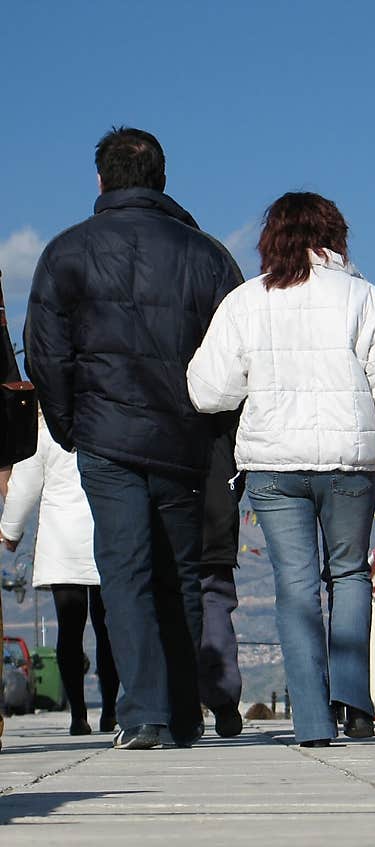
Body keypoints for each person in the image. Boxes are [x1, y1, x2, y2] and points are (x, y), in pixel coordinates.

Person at [24, 126, 243, 751]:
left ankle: (142, 714)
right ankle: (181, 712)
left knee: (126, 571)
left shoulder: (65, 252)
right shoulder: (207, 256)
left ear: (101, 180)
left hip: (106, 438)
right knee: (181, 572)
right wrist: (217, 436)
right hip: (184, 438)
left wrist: (69, 426)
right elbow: (234, 357)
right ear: (163, 179)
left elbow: (46, 353)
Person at [187, 191, 375, 747]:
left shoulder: (245, 303)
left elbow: (208, 391)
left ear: (270, 239)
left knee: (294, 588)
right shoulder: (365, 299)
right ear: (336, 238)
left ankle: (313, 721)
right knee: (347, 576)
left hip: (273, 466)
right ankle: (355, 703)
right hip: (349, 464)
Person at [0, 406, 120, 735]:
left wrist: (10, 530)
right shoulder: (104, 419)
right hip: (104, 532)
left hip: (62, 538)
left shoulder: (44, 430)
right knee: (107, 628)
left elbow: (24, 486)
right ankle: (110, 710)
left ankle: (78, 715)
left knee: (69, 629)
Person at [197, 415, 245, 737]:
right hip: (215, 508)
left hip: (167, 505)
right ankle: (224, 699)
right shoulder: (223, 383)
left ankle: (177, 702)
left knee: (167, 605)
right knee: (215, 603)